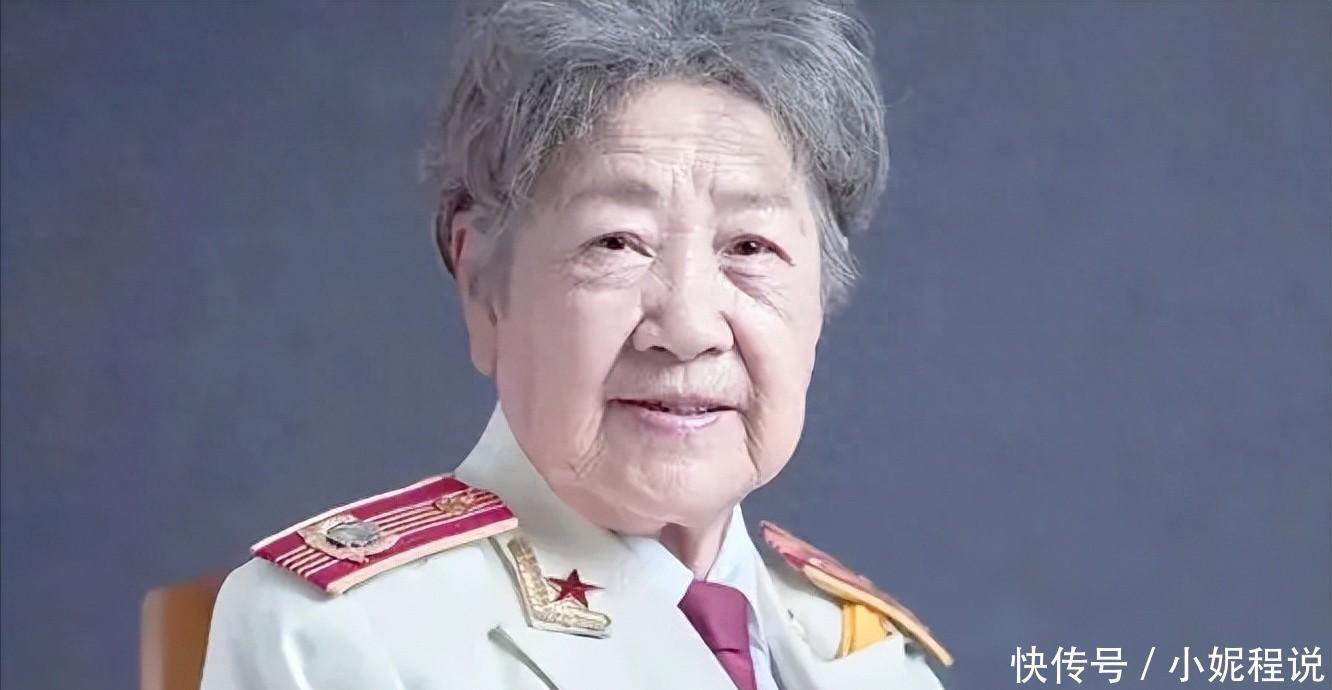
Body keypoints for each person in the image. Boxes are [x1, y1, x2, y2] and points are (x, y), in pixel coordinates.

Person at [200, 1, 952, 688]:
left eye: (750, 247)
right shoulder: (336, 639)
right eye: (616, 242)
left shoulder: (879, 662)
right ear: (481, 285)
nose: (688, 327)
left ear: (819, 301)